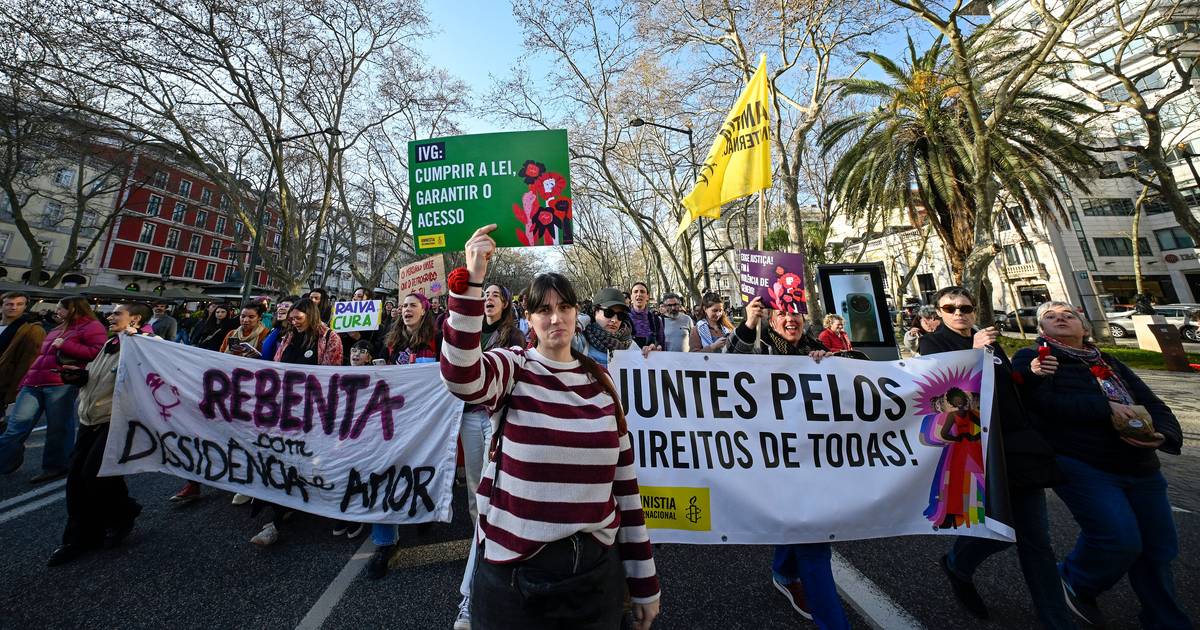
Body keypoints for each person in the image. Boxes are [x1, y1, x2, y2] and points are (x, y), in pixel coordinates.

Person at [441, 224, 660, 630]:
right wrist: (471, 282)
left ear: (577, 314)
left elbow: (625, 486)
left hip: (594, 582)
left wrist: (644, 582)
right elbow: (461, 375)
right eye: (543, 310)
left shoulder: (602, 383)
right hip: (514, 583)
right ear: (528, 319)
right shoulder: (514, 367)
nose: (556, 318)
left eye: (564, 307)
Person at [1013, 301, 1190, 630]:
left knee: (1158, 548)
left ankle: (1166, 620)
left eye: (1068, 315)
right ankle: (1074, 580)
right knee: (1118, 539)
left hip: (1141, 465)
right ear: (1041, 329)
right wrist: (1104, 406)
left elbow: (1150, 402)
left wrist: (1164, 435)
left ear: (1084, 327)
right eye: (1050, 317)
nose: (1060, 318)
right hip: (1081, 462)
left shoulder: (1109, 361)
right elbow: (1040, 401)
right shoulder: (1035, 357)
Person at [917, 286, 1071, 627]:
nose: (959, 313)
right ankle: (958, 563)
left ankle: (1057, 619)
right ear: (939, 312)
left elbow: (1007, 387)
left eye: (965, 307)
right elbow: (942, 397)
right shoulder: (933, 344)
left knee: (1036, 539)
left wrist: (1030, 373)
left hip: (1017, 447)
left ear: (975, 309)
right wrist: (971, 355)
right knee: (999, 530)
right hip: (976, 450)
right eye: (950, 308)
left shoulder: (989, 340)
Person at [724, 296, 842, 626]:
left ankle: (784, 572)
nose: (791, 319)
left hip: (812, 459)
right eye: (783, 314)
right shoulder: (760, 348)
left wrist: (830, 363)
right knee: (813, 543)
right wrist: (749, 322)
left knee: (804, 529)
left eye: (796, 313)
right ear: (772, 319)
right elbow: (726, 364)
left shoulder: (816, 348)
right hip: (771, 460)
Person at [47, 303, 152, 567]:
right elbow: (98, 377)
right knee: (78, 478)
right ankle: (84, 535)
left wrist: (140, 340)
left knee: (92, 474)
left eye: (117, 313)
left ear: (135, 319)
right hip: (89, 417)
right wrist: (79, 376)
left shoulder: (145, 345)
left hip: (117, 419)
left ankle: (111, 519)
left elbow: (153, 373)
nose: (110, 316)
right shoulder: (109, 343)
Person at [453, 283, 528, 628]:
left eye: (495, 295)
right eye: (485, 295)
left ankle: (477, 578)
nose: (488, 299)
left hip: (493, 419)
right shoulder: (468, 333)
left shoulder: (513, 337)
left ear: (506, 304)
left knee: (490, 488)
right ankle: (480, 543)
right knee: (474, 489)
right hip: (468, 417)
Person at [247, 298, 343, 546]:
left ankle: (287, 515)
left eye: (298, 318)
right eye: (291, 318)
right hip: (285, 409)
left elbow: (333, 375)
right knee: (283, 458)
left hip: (312, 412)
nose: (294, 322)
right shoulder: (288, 337)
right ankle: (278, 514)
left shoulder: (330, 338)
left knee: (304, 461)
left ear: (311, 316)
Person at [365, 292, 442, 577]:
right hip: (392, 417)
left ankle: (424, 510)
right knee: (385, 472)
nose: (406, 309)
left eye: (412, 305)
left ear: (424, 311)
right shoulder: (391, 341)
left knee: (423, 470)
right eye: (404, 305)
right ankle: (385, 543)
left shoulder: (439, 340)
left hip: (427, 419)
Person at [0, 297, 107, 481]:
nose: (56, 312)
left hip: (60, 383)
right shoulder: (60, 327)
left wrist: (66, 344)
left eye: (60, 309)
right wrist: (26, 380)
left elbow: (97, 352)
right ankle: (5, 463)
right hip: (34, 382)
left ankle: (56, 466)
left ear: (72, 309)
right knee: (15, 426)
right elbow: (41, 356)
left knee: (58, 429)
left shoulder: (92, 326)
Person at [0, 292, 47, 429]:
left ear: (25, 307)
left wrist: (15, 389)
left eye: (19, 304)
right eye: (9, 304)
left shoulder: (32, 330)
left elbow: (28, 363)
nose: (14, 307)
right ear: (1, 306)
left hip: (5, 383)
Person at [573, 287, 633, 366]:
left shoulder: (630, 345)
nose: (614, 320)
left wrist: (648, 354)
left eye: (620, 315)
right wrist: (582, 321)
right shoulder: (579, 342)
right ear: (595, 311)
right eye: (608, 313)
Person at [338, 287, 376, 366]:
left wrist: (359, 338)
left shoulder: (375, 323)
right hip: (342, 361)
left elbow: (375, 347)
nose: (355, 298)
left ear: (369, 300)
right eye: (354, 295)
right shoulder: (343, 317)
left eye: (359, 296)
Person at [260, 296, 298, 363]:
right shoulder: (274, 330)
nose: (281, 308)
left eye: (286, 306)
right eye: (279, 306)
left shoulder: (296, 333)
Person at [628, 282, 665, 348]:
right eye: (635, 292)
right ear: (631, 297)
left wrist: (657, 346)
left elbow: (661, 343)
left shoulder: (656, 320)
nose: (639, 294)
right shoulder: (623, 318)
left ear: (647, 296)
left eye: (642, 292)